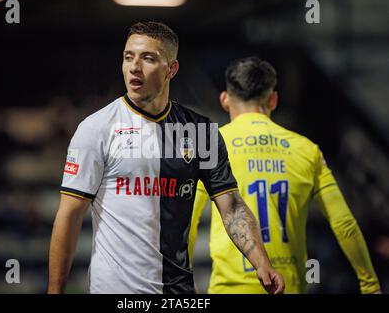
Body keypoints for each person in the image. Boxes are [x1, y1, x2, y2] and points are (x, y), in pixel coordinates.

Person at [47, 22, 284, 294]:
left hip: (179, 293)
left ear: (171, 69)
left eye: (148, 58)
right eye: (128, 57)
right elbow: (69, 215)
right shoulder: (96, 128)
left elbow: (230, 206)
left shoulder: (200, 132)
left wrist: (261, 262)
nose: (134, 67)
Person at [189, 56, 382, 294]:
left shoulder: (211, 148)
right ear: (273, 99)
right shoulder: (307, 150)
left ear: (225, 100)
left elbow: (186, 224)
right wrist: (369, 284)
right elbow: (343, 224)